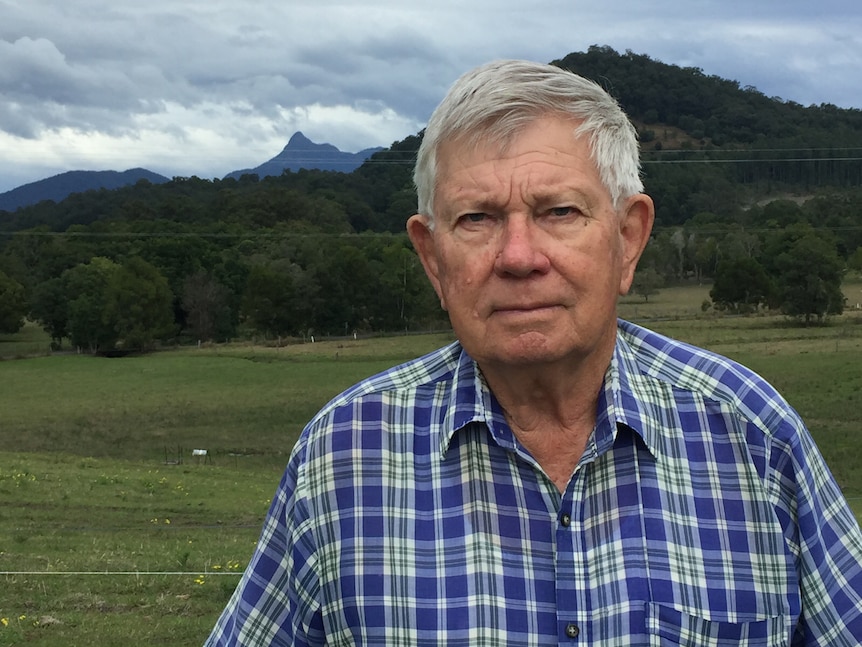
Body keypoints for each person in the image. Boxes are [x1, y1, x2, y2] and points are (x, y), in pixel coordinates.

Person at [205, 60, 862, 646]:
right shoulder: (342, 455)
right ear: (432, 258)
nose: (519, 256)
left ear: (628, 240)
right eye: (477, 219)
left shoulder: (753, 434)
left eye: (559, 211)